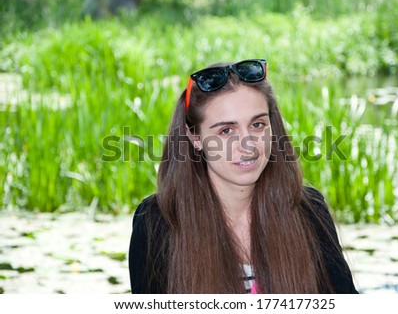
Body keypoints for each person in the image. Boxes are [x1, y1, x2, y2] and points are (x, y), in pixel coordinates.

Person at [128, 59, 358, 294]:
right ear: (195, 137)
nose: (247, 145)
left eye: (258, 125)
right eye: (226, 130)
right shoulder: (157, 222)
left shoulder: (309, 211)